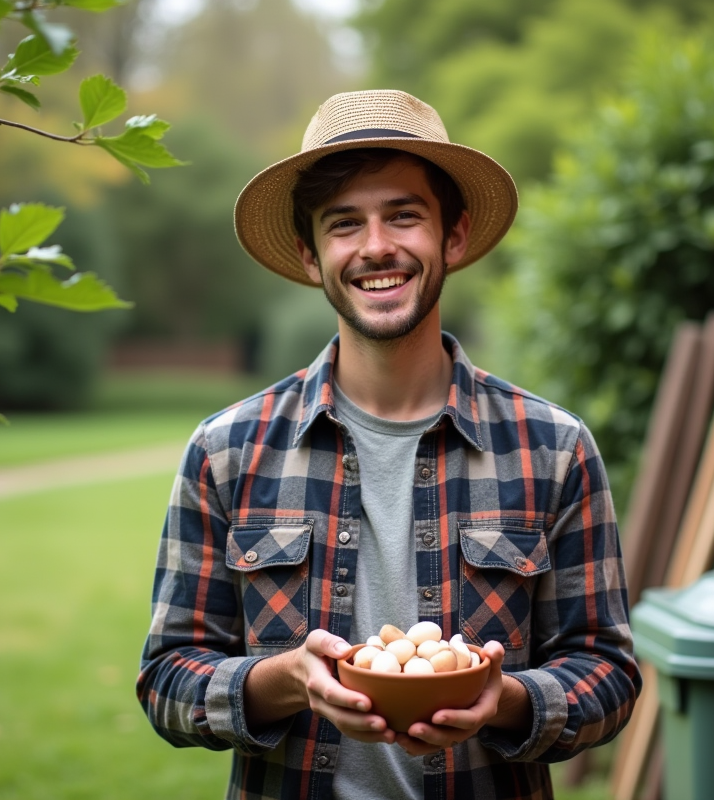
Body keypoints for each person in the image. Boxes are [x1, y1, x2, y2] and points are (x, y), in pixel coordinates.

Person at [138, 89, 640, 800]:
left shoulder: (554, 448)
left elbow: (609, 675)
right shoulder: (228, 450)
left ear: (454, 237)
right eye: (345, 224)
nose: (376, 246)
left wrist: (506, 701)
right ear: (312, 256)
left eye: (404, 214)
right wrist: (284, 682)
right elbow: (165, 678)